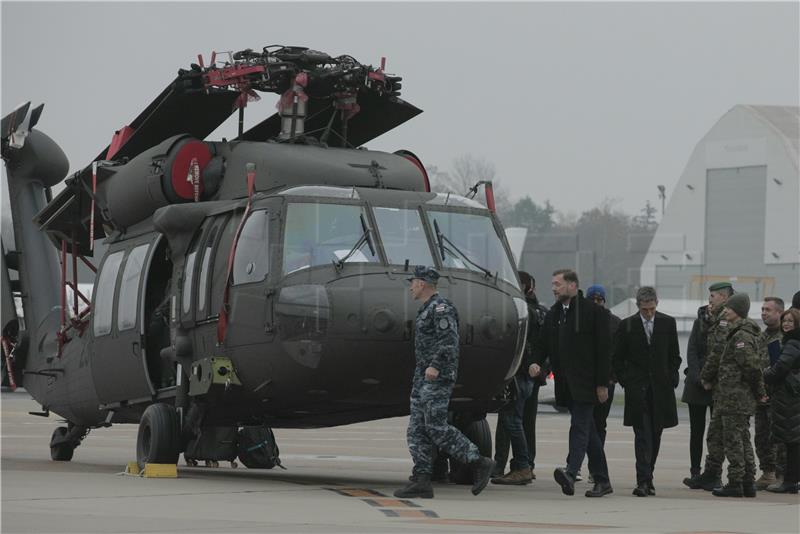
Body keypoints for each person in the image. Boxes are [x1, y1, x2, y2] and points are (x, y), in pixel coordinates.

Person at [394, 266, 494, 499]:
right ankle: (422, 480)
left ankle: (479, 462)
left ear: (422, 284)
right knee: (416, 430)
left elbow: (449, 342)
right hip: (423, 377)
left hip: (436, 377)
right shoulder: (427, 309)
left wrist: (435, 366)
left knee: (436, 427)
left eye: (414, 282)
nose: (411, 286)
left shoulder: (442, 308)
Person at [530, 269, 613, 498]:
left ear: (573, 286)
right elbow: (542, 344)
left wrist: (602, 384)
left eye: (558, 284)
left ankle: (571, 471)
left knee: (579, 426)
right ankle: (603, 480)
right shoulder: (554, 313)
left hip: (587, 383)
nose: (554, 288)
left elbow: (604, 352)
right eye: (553, 284)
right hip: (566, 384)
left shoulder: (593, 313)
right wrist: (536, 363)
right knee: (590, 433)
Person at [613, 286, 681, 497]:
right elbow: (617, 358)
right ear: (638, 306)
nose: (649, 313)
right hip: (638, 389)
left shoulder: (668, 323)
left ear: (656, 304)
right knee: (642, 435)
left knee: (656, 434)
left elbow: (674, 355)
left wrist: (670, 376)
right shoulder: (628, 325)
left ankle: (648, 476)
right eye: (645, 309)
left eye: (652, 309)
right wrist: (627, 381)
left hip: (661, 390)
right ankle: (642, 481)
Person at [700, 292, 766, 498]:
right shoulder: (739, 332)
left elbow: (752, 368)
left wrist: (760, 392)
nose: (725, 310)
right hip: (732, 396)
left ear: (737, 311)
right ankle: (747, 482)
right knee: (742, 438)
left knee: (734, 440)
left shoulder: (741, 336)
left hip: (734, 397)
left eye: (729, 308)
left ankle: (736, 482)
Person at [492, 271, 543, 485]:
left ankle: (520, 465)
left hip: (519, 374)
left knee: (511, 421)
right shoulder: (538, 311)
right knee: (519, 422)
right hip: (528, 376)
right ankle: (523, 464)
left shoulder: (522, 313)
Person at [684, 281, 734, 491]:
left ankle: (713, 472)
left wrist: (712, 379)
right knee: (696, 431)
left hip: (718, 385)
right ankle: (696, 472)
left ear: (724, 297)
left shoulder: (730, 321)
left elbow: (726, 355)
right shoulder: (701, 320)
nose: (709, 300)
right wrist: (699, 378)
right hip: (697, 384)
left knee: (717, 432)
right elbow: (692, 351)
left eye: (713, 296)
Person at [763, 308, 800, 493]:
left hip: (789, 399)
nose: (786, 324)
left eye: (790, 321)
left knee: (791, 442)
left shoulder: (793, 343)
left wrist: (765, 374)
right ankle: (792, 480)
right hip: (791, 397)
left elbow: (780, 368)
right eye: (785, 320)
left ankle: (790, 481)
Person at [754, 297, 785, 489]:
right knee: (762, 436)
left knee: (780, 438)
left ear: (779, 312)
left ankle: (782, 475)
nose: (764, 312)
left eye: (768, 310)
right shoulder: (761, 337)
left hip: (779, 397)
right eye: (762, 309)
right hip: (761, 396)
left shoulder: (786, 337)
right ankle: (768, 472)